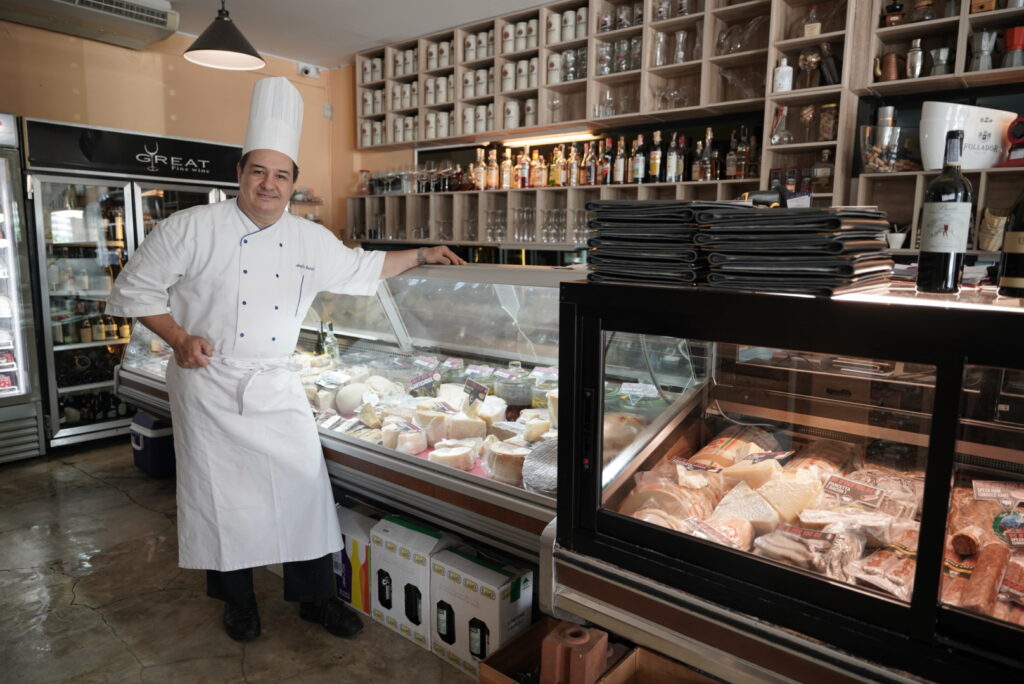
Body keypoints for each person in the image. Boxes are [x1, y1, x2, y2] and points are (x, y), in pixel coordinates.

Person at [105, 77, 465, 642]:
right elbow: (134, 289)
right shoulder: (190, 228)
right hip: (208, 382)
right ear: (239, 174)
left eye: (281, 175)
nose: (268, 184)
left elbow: (363, 269)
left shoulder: (308, 238)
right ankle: (238, 602)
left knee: (304, 489)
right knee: (221, 499)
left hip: (275, 382)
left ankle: (316, 599)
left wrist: (421, 253)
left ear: (293, 183)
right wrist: (178, 338)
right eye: (258, 172)